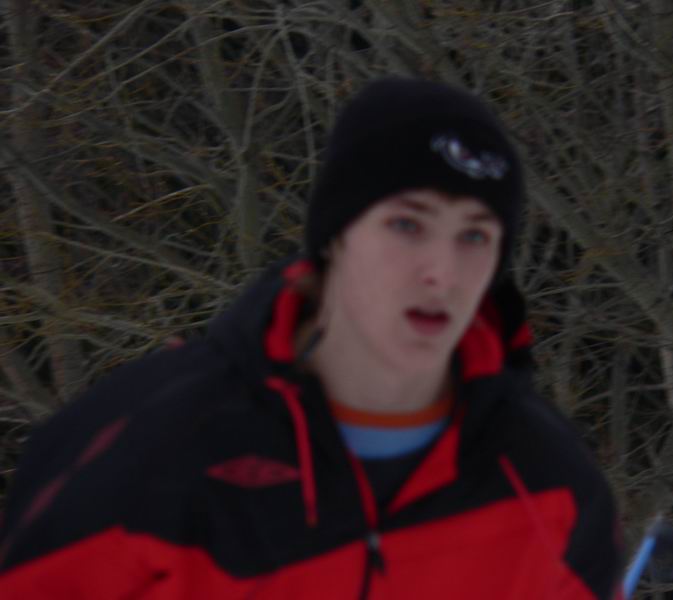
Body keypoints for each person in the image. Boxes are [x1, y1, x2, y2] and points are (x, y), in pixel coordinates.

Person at [0, 78, 623, 599]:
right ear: (336, 237)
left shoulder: (547, 480)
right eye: (407, 224)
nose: (443, 271)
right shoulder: (152, 445)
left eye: (475, 236)